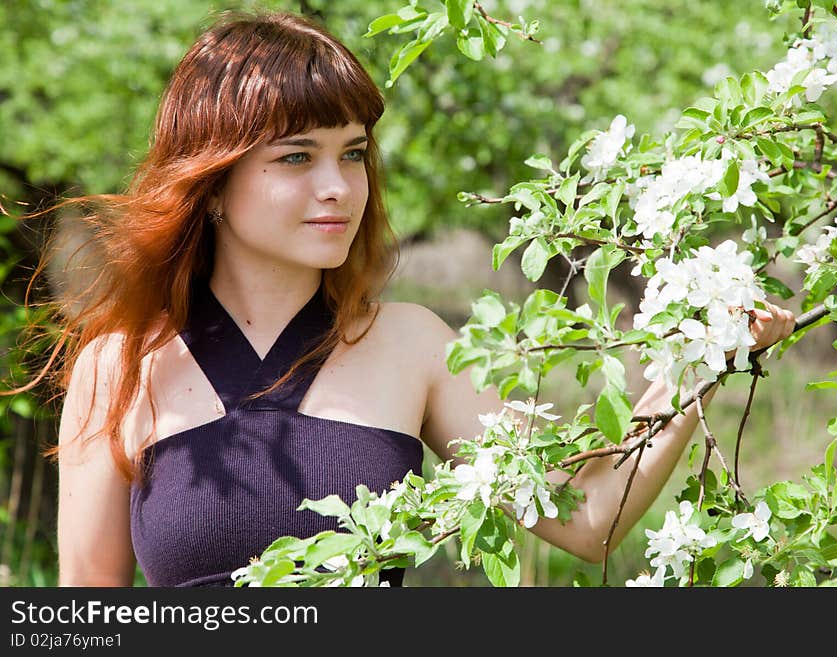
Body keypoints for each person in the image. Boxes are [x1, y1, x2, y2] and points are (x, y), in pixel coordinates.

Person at [38, 11, 796, 587]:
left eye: (354, 153)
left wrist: (702, 356)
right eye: (297, 157)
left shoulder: (412, 344)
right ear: (211, 186)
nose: (339, 186)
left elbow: (590, 517)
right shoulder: (122, 367)